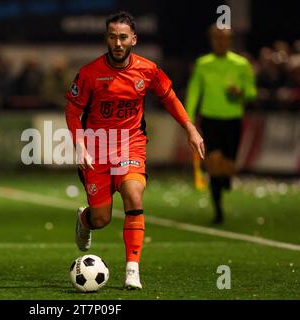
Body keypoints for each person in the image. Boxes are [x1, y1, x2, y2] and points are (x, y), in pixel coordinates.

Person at [65, 11, 205, 290]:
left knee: (133, 193)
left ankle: (132, 270)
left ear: (133, 40)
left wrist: (189, 127)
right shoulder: (90, 73)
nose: (118, 43)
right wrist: (79, 143)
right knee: (101, 218)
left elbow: (169, 97)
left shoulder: (148, 70)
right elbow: (73, 108)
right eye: (113, 36)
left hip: (131, 143)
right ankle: (85, 219)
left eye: (123, 37)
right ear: (107, 38)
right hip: (97, 149)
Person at [185, 25, 257, 224]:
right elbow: (194, 91)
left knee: (228, 167)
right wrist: (188, 120)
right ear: (211, 40)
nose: (220, 42)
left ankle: (227, 178)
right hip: (210, 120)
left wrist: (239, 93)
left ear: (230, 41)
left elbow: (252, 93)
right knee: (214, 164)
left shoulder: (241, 64)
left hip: (233, 120)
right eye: (217, 38)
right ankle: (218, 211)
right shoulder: (203, 64)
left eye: (224, 38)